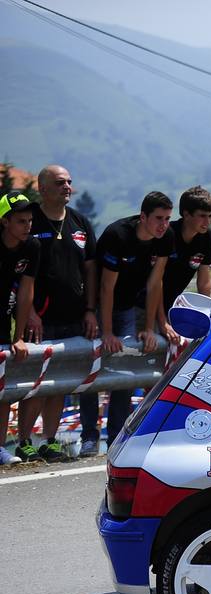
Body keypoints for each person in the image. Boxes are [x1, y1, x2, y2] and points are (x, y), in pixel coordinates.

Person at [23, 164, 100, 458]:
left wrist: (91, 310)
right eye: (59, 182)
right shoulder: (30, 219)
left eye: (69, 182)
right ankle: (24, 442)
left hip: (74, 317)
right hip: (39, 320)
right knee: (35, 384)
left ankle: (50, 441)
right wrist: (29, 312)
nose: (67, 187)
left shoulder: (80, 222)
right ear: (42, 188)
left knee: (59, 384)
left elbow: (90, 271)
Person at [94, 191, 174, 448]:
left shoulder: (165, 236)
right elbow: (106, 287)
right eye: (159, 218)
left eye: (168, 218)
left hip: (128, 306)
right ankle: (88, 436)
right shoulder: (118, 235)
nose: (164, 224)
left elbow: (155, 283)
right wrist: (107, 332)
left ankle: (117, 435)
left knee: (125, 369)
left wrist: (150, 328)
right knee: (93, 366)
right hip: (99, 305)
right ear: (143, 217)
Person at [0, 190, 38, 464]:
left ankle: (0, 447)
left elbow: (26, 293)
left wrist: (19, 336)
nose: (28, 227)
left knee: (1, 385)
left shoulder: (32, 247)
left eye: (29, 221)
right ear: (5, 222)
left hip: (3, 319)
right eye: (21, 222)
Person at [161, 186, 211, 308]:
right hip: (144, 303)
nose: (208, 222)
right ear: (186, 214)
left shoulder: (207, 236)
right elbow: (154, 281)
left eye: (210, 216)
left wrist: (205, 311)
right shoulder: (166, 234)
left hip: (172, 304)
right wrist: (161, 319)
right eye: (202, 216)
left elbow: (204, 282)